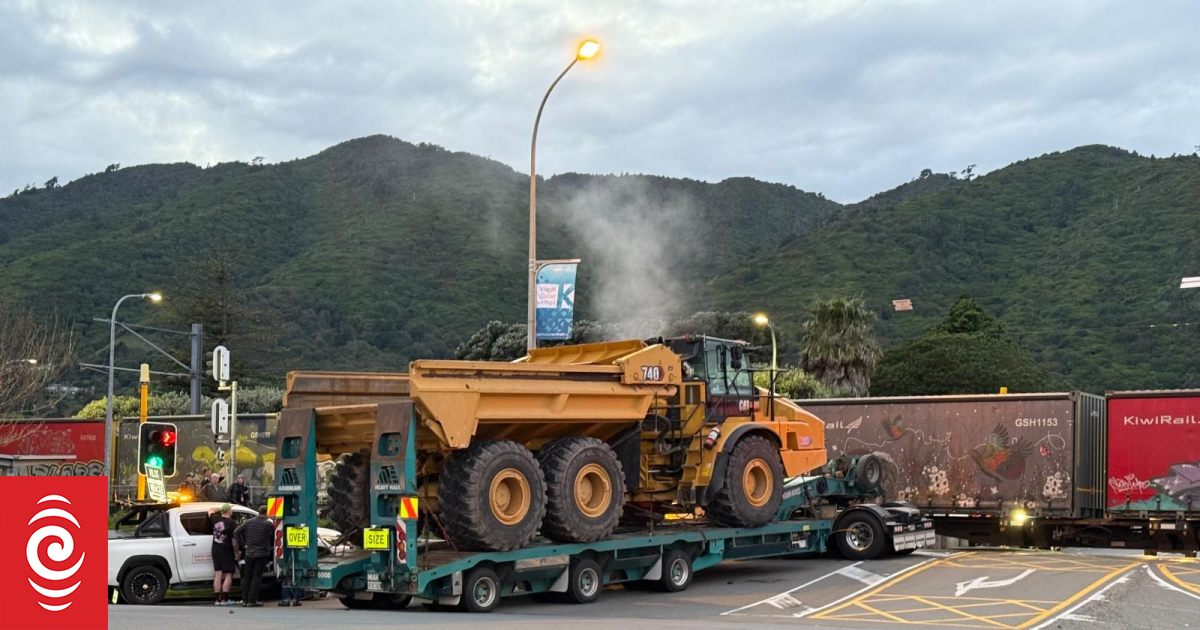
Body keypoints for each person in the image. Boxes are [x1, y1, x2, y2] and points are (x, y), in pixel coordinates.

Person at [233, 505, 275, 607]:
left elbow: (236, 532)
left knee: (247, 576)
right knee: (257, 577)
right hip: (262, 553)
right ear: (266, 513)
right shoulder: (267, 524)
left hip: (249, 553)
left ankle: (244, 600)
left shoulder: (249, 522)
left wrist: (243, 544)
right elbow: (276, 531)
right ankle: (252, 600)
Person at [208, 504, 238, 606]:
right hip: (227, 550)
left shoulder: (215, 519)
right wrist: (236, 553)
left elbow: (210, 510)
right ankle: (225, 600)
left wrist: (220, 508)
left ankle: (217, 600)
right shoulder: (232, 523)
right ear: (229, 511)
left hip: (216, 549)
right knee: (229, 574)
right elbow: (234, 541)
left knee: (218, 574)